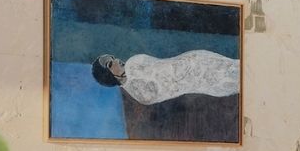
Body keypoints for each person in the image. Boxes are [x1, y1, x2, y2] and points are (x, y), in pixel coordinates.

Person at [92, 49, 240, 106]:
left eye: (113, 57)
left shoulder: (134, 62)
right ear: (109, 76)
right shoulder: (139, 93)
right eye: (111, 63)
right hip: (207, 79)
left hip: (204, 61)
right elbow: (169, 82)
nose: (117, 60)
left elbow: (165, 66)